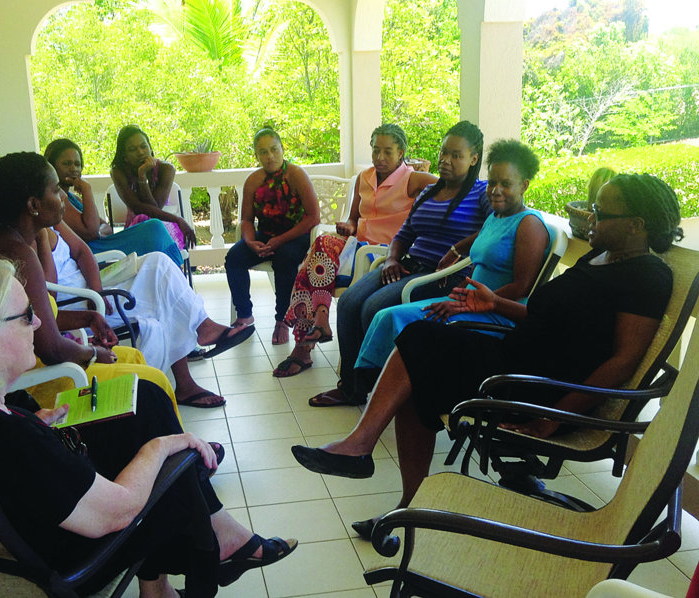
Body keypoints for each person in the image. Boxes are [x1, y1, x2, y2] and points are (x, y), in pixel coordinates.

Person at [291, 173, 682, 541]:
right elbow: (542, 318)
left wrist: (551, 418)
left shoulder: (647, 276)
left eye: (601, 212)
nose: (590, 217)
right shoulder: (599, 256)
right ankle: (397, 489)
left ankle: (370, 459)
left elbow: (623, 361)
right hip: (514, 357)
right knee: (418, 344)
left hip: (537, 387)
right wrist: (494, 303)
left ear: (636, 225)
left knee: (420, 347)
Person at [0, 256, 297, 597]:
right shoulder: (8, 440)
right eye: (25, 316)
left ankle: (196, 558)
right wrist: (161, 446)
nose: (37, 323)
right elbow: (116, 513)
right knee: (169, 461)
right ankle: (205, 555)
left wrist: (31, 423)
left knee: (143, 401)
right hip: (63, 562)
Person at [0, 152, 254, 409]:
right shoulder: (19, 254)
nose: (62, 196)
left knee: (149, 327)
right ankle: (171, 437)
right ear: (34, 205)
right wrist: (93, 353)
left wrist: (89, 317)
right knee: (153, 384)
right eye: (55, 190)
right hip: (34, 378)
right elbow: (51, 347)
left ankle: (175, 429)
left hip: (41, 351)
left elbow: (38, 320)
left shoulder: (4, 240)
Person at [309, 120, 491, 407]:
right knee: (349, 303)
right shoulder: (429, 193)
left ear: (473, 159)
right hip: (408, 264)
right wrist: (392, 259)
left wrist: (458, 248)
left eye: (456, 155)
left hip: (441, 276)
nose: (446, 160)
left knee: (373, 307)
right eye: (444, 153)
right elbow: (404, 234)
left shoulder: (481, 193)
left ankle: (377, 388)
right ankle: (350, 386)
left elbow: (496, 227)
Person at [351, 139, 551, 394]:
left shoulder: (529, 225)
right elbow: (481, 245)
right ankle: (379, 388)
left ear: (524, 185)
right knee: (385, 316)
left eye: (506, 184)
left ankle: (385, 390)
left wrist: (466, 302)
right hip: (470, 302)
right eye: (492, 182)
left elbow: (522, 287)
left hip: (495, 312)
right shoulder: (496, 216)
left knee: (396, 318)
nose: (495, 190)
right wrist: (456, 253)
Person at [273, 124, 439, 377]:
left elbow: (450, 186)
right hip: (357, 246)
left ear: (401, 153)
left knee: (311, 267)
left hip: (385, 253)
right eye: (375, 150)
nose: (380, 157)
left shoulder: (413, 179)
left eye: (388, 152)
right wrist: (349, 226)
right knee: (321, 247)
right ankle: (320, 320)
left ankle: (304, 347)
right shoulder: (365, 177)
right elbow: (354, 218)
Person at [225, 128, 321, 345]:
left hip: (297, 235)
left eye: (274, 149)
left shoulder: (296, 175)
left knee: (284, 257)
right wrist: (250, 242)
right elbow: (246, 220)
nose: (270, 156)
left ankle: (282, 320)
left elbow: (313, 217)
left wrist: (280, 240)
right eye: (263, 152)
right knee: (234, 258)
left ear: (282, 149)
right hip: (267, 236)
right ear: (257, 155)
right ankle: (244, 314)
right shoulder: (253, 181)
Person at [44, 138, 184, 266]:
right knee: (153, 229)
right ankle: (173, 271)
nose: (74, 169)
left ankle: (170, 271)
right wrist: (87, 190)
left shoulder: (73, 198)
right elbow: (90, 231)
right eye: (66, 164)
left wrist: (98, 232)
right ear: (52, 166)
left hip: (101, 244)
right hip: (90, 254)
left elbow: (105, 227)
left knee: (154, 227)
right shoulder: (57, 199)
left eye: (77, 164)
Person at [109, 125, 196, 250]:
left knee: (153, 225)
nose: (140, 152)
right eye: (133, 149)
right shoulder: (118, 172)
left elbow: (156, 207)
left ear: (150, 147)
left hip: (163, 225)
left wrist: (142, 176)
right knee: (143, 219)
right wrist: (177, 219)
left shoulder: (166, 169)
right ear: (125, 156)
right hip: (136, 228)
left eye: (143, 146)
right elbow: (137, 208)